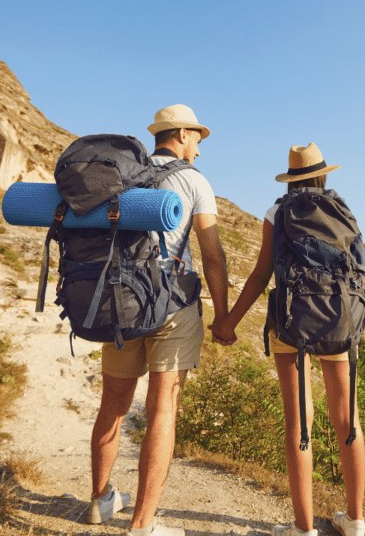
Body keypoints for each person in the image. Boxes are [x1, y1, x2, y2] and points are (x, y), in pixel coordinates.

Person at [88, 104, 231, 536]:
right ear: (183, 134)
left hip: (120, 301)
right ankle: (143, 525)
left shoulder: (123, 172)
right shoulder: (193, 181)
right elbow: (212, 255)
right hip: (171, 306)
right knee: (162, 407)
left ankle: (99, 501)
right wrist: (222, 318)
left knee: (112, 403)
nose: (200, 151)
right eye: (198, 140)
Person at [211, 144, 365, 536]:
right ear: (323, 175)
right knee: (347, 419)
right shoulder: (343, 211)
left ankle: (304, 529)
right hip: (339, 319)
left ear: (291, 178)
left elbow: (262, 274)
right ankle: (355, 520)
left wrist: (228, 322)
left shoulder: (276, 211)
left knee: (300, 422)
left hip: (290, 322)